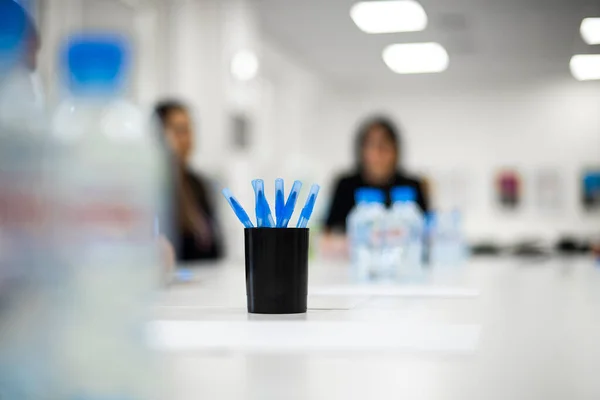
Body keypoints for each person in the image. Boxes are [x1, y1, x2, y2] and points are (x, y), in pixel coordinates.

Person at [323, 116, 429, 235]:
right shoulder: (346, 185)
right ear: (361, 150)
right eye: (371, 145)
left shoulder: (412, 186)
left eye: (385, 145)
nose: (378, 152)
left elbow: (427, 232)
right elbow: (328, 232)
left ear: (396, 150)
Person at [154, 100, 224, 262]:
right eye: (179, 131)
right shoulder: (153, 188)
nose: (188, 139)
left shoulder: (198, 184)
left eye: (189, 130)